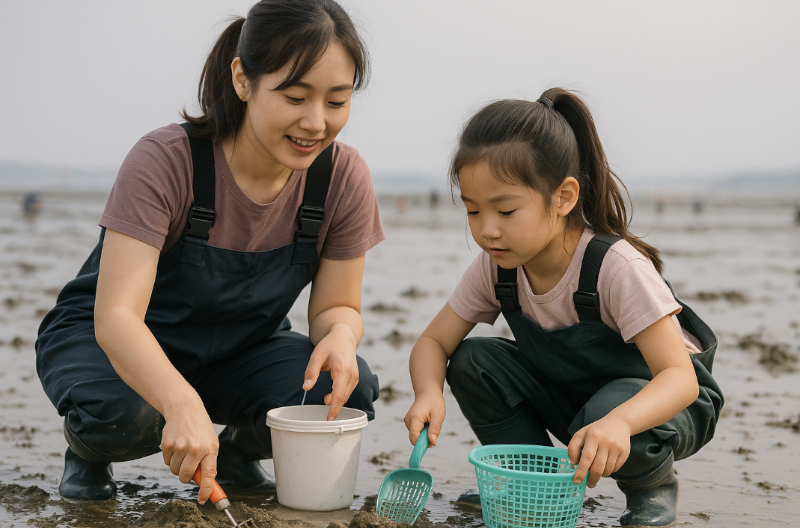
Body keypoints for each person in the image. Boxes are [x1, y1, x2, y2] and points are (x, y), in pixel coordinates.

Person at [35, 0, 383, 504]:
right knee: (130, 416)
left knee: (347, 387)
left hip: (239, 350)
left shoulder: (343, 178)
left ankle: (241, 452)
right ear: (243, 79)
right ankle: (87, 450)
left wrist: (343, 336)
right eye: (294, 96)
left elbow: (336, 307)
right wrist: (178, 401)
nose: (315, 122)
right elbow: (116, 317)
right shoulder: (165, 161)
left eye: (336, 101)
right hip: (113, 342)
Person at [403, 89, 722, 527]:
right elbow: (434, 341)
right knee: (473, 359)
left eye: (506, 210)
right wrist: (427, 393)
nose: (486, 230)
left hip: (669, 405)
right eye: (473, 211)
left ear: (564, 196)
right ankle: (530, 483)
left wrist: (620, 423)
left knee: (607, 409)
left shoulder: (615, 266)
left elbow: (680, 380)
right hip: (581, 400)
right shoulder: (497, 268)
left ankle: (652, 488)